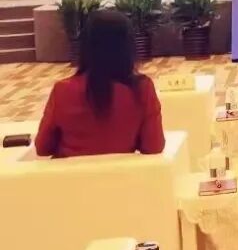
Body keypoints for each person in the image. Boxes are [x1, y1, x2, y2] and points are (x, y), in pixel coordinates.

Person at [34, 9, 165, 159]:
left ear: (86, 46)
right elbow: (154, 146)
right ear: (128, 46)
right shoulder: (142, 89)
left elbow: (43, 148)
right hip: (122, 173)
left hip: (71, 173)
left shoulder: (63, 90)